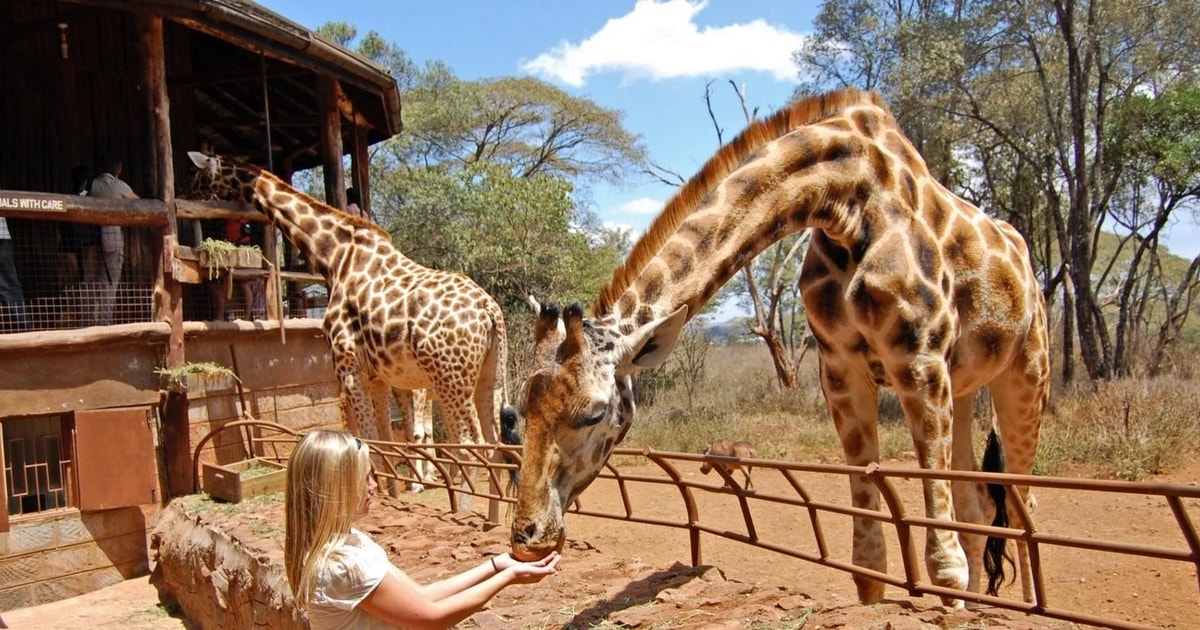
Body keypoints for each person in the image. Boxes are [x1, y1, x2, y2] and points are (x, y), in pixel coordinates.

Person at [285, 430, 560, 629]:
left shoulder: (350, 542)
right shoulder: (341, 565)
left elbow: (419, 596)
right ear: (337, 486)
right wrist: (508, 578)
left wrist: (495, 566)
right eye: (364, 477)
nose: (374, 486)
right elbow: (430, 618)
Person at [86, 155, 138, 325]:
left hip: (92, 237)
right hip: (112, 233)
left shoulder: (93, 184)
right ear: (118, 169)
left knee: (92, 280)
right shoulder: (119, 185)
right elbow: (139, 203)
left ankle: (88, 321)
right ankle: (105, 321)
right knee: (110, 281)